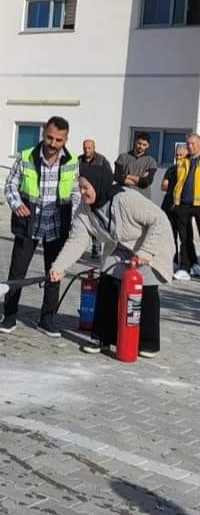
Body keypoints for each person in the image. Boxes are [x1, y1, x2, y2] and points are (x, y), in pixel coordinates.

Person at [49, 164, 173, 358]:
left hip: (150, 245)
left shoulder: (125, 199)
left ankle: (148, 342)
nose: (82, 193)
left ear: (98, 185)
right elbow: (77, 240)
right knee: (108, 283)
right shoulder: (85, 209)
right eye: (80, 187)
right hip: (119, 248)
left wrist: (145, 253)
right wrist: (59, 267)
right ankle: (102, 337)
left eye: (85, 187)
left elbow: (160, 220)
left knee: (146, 290)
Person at [0, 116, 80, 338]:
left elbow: (75, 193)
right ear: (44, 133)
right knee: (17, 272)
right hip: (28, 224)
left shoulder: (72, 161)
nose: (53, 144)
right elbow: (10, 185)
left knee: (54, 273)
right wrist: (16, 204)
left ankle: (47, 320)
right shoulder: (26, 157)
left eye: (59, 140)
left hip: (56, 226)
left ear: (66, 139)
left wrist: (73, 219)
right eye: (50, 137)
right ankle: (9, 316)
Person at [171, 133, 200, 280]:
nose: (190, 146)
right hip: (183, 204)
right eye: (188, 143)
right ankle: (186, 267)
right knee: (184, 238)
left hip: (199, 204)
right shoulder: (183, 161)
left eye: (193, 143)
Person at [78, 139, 112, 259]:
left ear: (94, 147)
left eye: (89, 148)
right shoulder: (79, 160)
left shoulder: (101, 160)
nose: (87, 150)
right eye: (85, 148)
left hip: (97, 197)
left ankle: (96, 248)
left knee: (96, 222)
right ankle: (78, 248)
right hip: (83, 195)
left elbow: (108, 176)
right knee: (82, 222)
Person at [160, 143, 188, 275]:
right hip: (168, 205)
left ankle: (185, 264)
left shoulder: (190, 171)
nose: (178, 157)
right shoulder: (171, 169)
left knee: (184, 237)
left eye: (181, 155)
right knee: (170, 235)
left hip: (182, 207)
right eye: (176, 155)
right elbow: (164, 186)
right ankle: (173, 260)